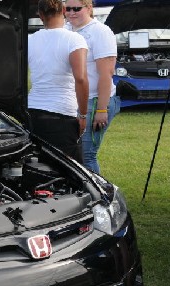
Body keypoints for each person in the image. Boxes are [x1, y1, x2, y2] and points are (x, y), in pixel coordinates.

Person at [28, 0, 89, 163]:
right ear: (63, 10)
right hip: (62, 113)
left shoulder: (29, 40)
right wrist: (83, 114)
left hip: (33, 111)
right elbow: (81, 78)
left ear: (40, 15)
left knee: (38, 164)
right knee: (69, 169)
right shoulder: (75, 40)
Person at [65, 0, 120, 174]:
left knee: (86, 155)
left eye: (76, 9)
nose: (71, 12)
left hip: (95, 100)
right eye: (68, 9)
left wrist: (102, 110)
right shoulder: (66, 30)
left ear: (89, 8)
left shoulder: (100, 32)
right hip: (74, 101)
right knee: (73, 154)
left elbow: (106, 73)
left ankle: (99, 196)